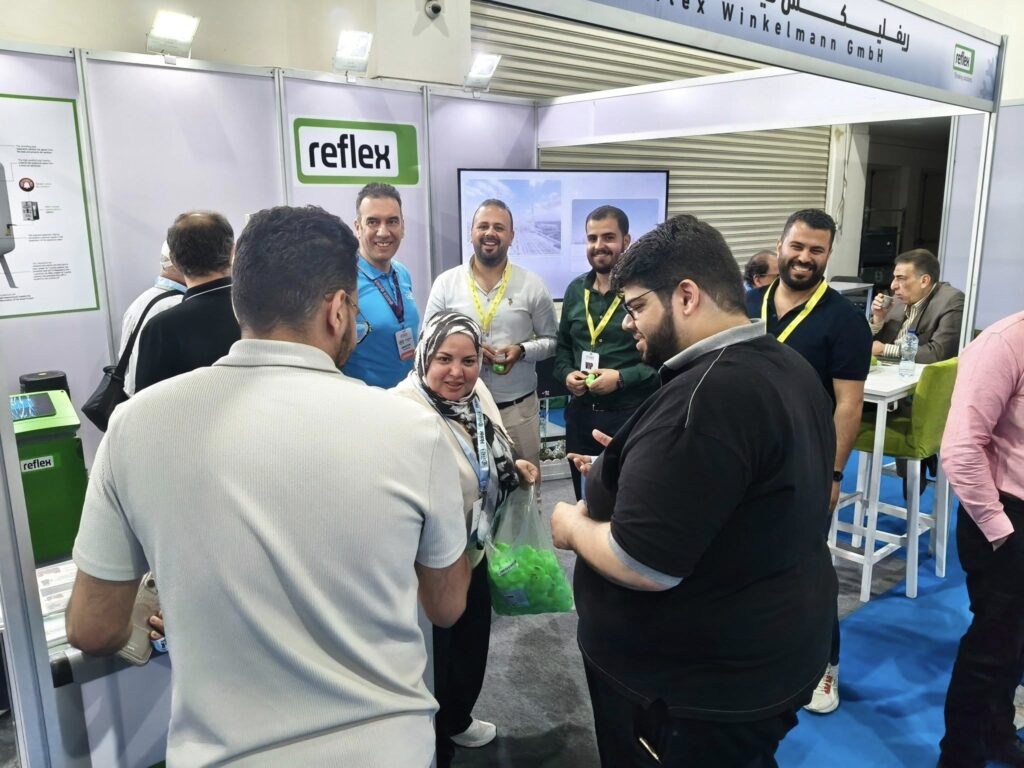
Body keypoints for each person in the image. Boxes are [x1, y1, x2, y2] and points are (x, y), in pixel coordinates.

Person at [65, 205, 470, 767]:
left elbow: (91, 628)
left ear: (240, 303)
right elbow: (446, 607)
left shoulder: (136, 425)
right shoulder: (415, 431)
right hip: (385, 749)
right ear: (338, 310)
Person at [551, 214, 837, 768]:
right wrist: (637, 460)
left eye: (637, 307)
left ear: (685, 296)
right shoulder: (786, 365)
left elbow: (642, 563)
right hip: (767, 653)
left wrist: (571, 525)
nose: (629, 324)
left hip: (692, 692)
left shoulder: (707, 397)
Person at [393, 311, 539, 766]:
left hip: (475, 544)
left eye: (468, 360)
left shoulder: (477, 395)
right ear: (423, 356)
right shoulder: (401, 409)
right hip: (425, 560)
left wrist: (511, 467)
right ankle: (432, 741)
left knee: (472, 640)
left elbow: (490, 446)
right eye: (444, 359)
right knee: (432, 655)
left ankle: (457, 717)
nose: (457, 372)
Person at [745, 208, 872, 715]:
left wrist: (833, 473)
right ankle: (757, 653)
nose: (804, 257)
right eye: (797, 246)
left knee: (805, 568)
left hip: (805, 464)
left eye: (816, 250)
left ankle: (824, 665)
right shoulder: (747, 304)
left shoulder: (844, 321)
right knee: (742, 560)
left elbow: (849, 405)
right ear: (780, 245)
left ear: (828, 255)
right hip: (744, 458)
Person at [938, 310, 1024, 768]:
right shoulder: (1004, 342)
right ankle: (959, 754)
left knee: (1017, 643)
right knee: (992, 644)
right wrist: (999, 529)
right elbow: (960, 448)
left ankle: (997, 732)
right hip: (1004, 517)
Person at [423, 199, 557, 468]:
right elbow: (426, 339)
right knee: (466, 485)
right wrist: (464, 351)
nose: (490, 233)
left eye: (499, 227)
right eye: (483, 226)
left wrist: (522, 351)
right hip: (460, 410)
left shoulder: (532, 285)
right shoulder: (446, 284)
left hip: (517, 411)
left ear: (511, 236)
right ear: (471, 232)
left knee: (525, 484)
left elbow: (552, 341)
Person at [554, 205, 659, 499]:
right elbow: (563, 350)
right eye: (592, 238)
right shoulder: (576, 290)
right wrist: (567, 375)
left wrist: (621, 378)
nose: (599, 245)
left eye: (608, 237)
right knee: (585, 497)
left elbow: (661, 363)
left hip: (628, 416)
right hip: (580, 417)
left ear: (626, 241)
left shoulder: (645, 293)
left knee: (627, 498)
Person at [134, 211, 241, 391]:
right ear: (233, 252)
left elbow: (146, 401)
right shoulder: (261, 314)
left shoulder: (161, 328)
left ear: (174, 260)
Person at [342, 182, 421, 388]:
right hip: (365, 401)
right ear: (358, 227)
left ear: (402, 227)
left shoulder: (402, 273)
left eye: (392, 221)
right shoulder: (343, 281)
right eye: (373, 222)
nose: (383, 232)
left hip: (407, 396)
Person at [869, 248, 964, 364]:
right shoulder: (898, 300)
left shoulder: (951, 300)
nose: (893, 286)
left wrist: (886, 349)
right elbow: (870, 345)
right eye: (894, 278)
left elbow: (939, 354)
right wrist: (878, 319)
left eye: (901, 278)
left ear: (924, 281)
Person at [118, 241, 186, 396]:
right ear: (177, 262)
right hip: (159, 399)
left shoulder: (144, 299)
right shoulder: (177, 306)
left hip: (136, 397)